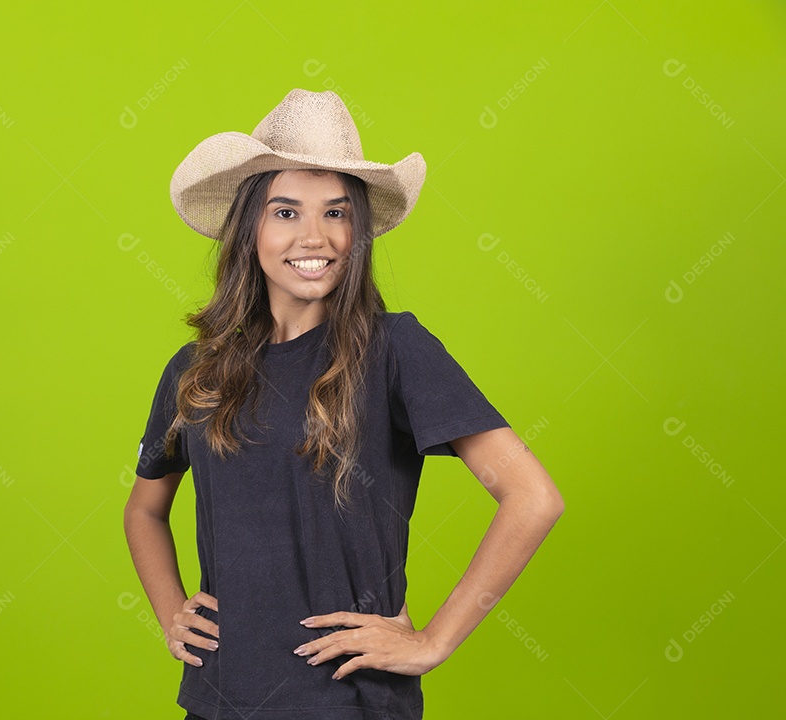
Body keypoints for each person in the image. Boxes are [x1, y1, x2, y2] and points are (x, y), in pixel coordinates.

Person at [123, 88, 564, 720]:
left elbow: (533, 496)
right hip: (220, 700)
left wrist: (432, 642)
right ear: (249, 227)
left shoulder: (394, 350)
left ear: (357, 227)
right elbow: (144, 511)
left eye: (336, 212)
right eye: (285, 212)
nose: (315, 236)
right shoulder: (195, 371)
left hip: (350, 704)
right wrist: (173, 613)